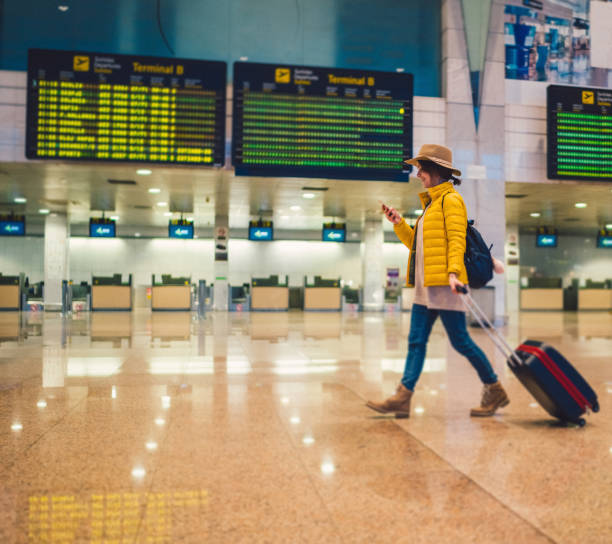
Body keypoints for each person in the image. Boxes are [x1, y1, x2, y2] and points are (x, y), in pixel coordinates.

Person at [366, 144, 509, 418]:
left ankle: (494, 388)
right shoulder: (431, 205)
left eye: (422, 168)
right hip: (426, 286)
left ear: (435, 170)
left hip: (444, 285)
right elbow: (418, 247)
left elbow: (457, 241)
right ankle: (403, 397)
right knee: (416, 340)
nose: (418, 173)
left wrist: (454, 274)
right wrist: (398, 223)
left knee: (461, 342)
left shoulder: (451, 200)